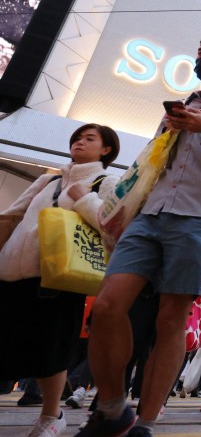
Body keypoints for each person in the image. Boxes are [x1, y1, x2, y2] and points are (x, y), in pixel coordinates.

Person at [79, 33, 201, 437]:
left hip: (200, 220)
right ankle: (111, 406)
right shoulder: (182, 104)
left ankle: (145, 421)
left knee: (170, 319)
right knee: (107, 307)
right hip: (150, 214)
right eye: (199, 52)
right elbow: (154, 156)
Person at [0, 124, 120, 437]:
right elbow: (11, 217)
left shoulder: (107, 181)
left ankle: (51, 415)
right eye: (77, 138)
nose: (80, 142)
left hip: (62, 277)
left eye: (89, 139)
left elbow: (114, 228)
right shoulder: (48, 179)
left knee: (49, 348)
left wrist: (84, 200)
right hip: (13, 269)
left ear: (106, 150)